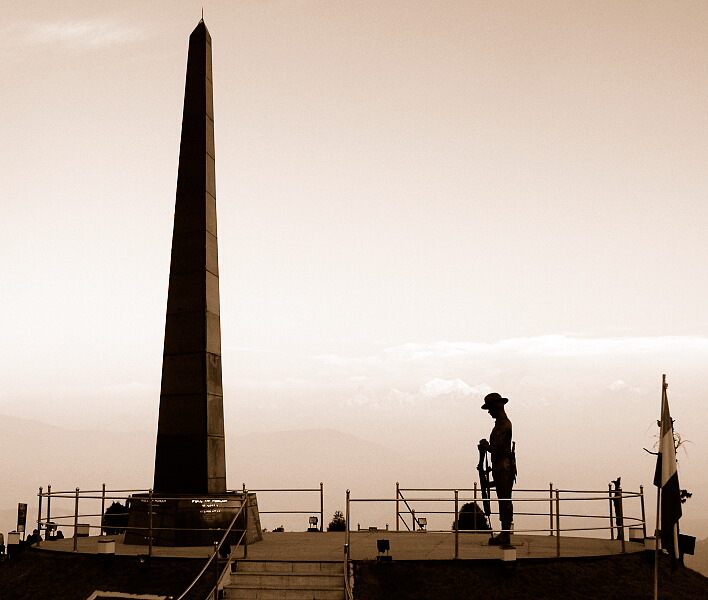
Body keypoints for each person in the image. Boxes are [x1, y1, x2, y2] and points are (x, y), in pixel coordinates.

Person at [478, 392, 515, 545]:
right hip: (501, 466)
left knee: (504, 499)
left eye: (490, 409)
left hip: (503, 466)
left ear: (497, 407)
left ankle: (505, 533)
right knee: (502, 498)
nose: (489, 412)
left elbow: (498, 449)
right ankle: (504, 532)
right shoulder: (500, 424)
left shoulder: (505, 425)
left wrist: (485, 445)